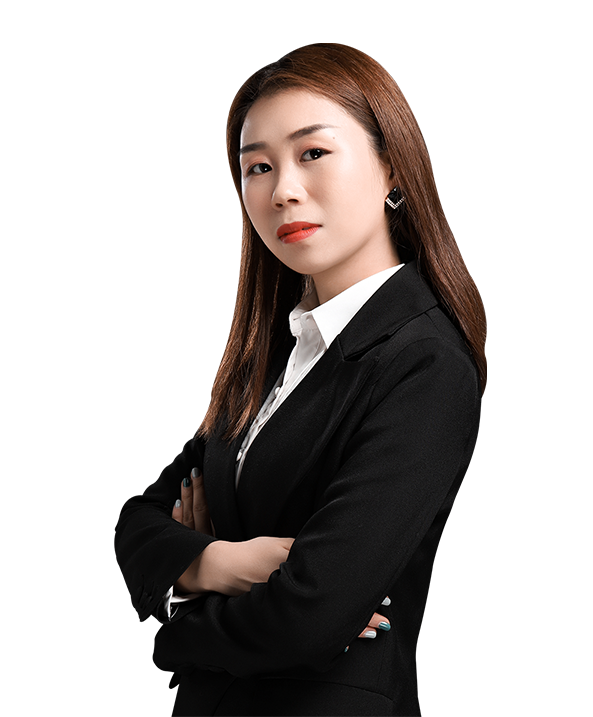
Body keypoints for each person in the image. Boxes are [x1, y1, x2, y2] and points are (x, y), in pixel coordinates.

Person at [115, 44, 485, 716]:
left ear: (391, 166)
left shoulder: (425, 364)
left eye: (313, 152)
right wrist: (220, 564)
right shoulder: (275, 356)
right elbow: (134, 523)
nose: (282, 189)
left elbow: (311, 615)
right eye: (257, 166)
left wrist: (174, 632)